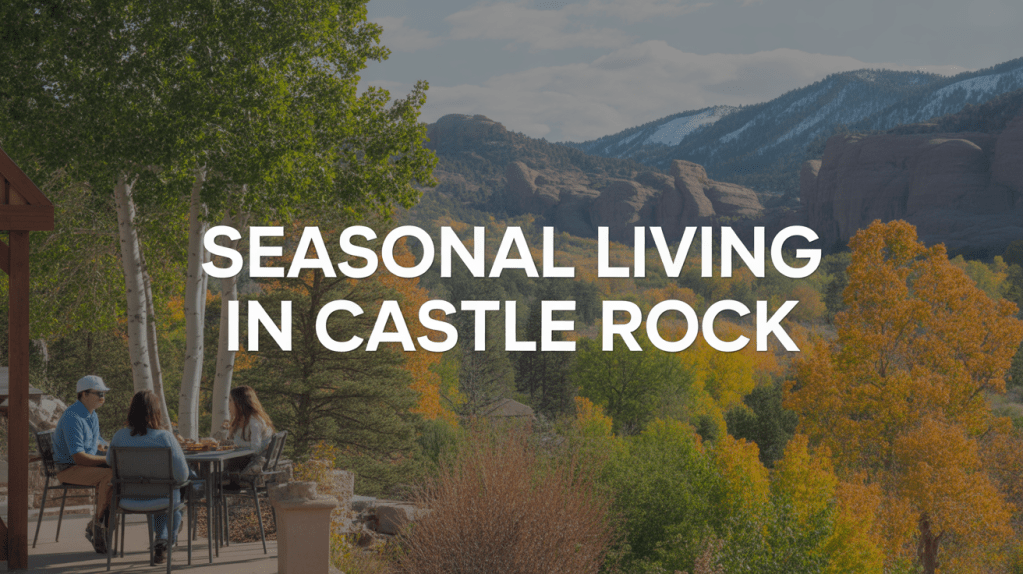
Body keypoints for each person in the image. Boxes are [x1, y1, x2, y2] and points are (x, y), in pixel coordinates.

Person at [107, 390, 188, 565]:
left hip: (127, 499)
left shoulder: (119, 436)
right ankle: (166, 540)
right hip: (163, 499)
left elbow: (109, 461)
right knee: (174, 491)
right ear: (156, 412)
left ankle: (163, 539)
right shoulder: (165, 437)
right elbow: (183, 475)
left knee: (163, 491)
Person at [53, 375, 113, 554]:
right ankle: (98, 526)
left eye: (104, 393)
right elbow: (79, 457)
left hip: (84, 466)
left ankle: (97, 525)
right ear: (84, 394)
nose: (103, 397)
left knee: (118, 473)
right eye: (99, 393)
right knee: (110, 474)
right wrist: (108, 460)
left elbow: (97, 443)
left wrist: (113, 448)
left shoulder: (91, 414)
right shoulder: (73, 417)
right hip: (68, 469)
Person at [223, 386, 275, 490]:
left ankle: (209, 496)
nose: (228, 404)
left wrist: (239, 443)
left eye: (230, 400)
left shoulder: (254, 421)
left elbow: (256, 448)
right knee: (220, 473)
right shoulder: (243, 419)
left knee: (216, 478)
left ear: (239, 403)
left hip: (251, 469)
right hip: (248, 463)